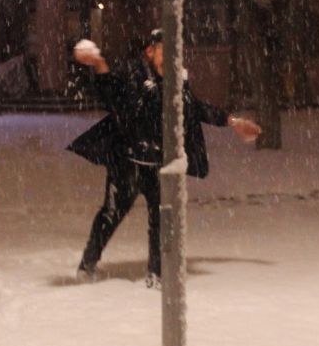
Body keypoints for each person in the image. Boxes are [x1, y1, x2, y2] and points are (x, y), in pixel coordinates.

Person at [68, 30, 260, 285]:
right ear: (150, 52)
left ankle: (156, 274)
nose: (171, 58)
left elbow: (197, 108)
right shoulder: (134, 73)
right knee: (110, 215)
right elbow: (110, 92)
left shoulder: (176, 83)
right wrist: (99, 63)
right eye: (165, 51)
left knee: (161, 220)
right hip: (128, 164)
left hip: (159, 166)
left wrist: (232, 121)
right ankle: (87, 265)